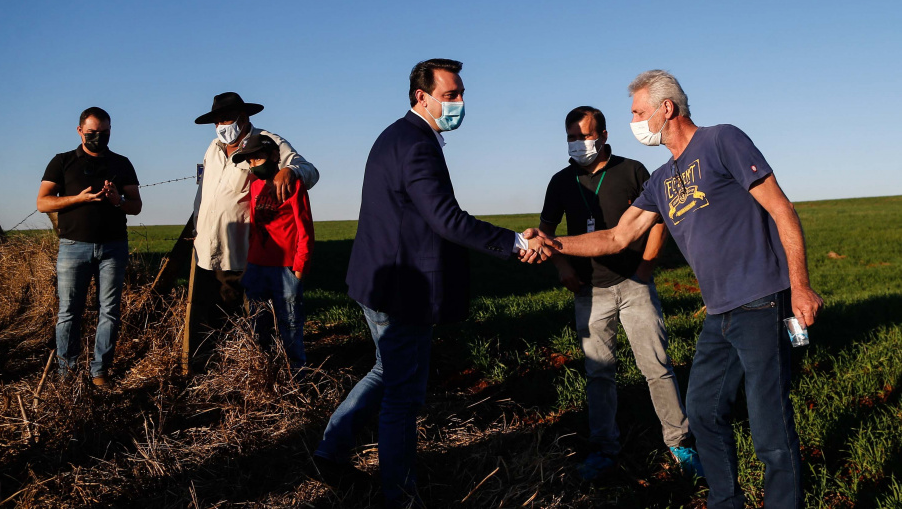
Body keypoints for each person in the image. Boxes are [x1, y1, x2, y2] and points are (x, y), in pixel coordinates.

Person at [528, 70, 823, 509]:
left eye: (638, 112)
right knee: (703, 413)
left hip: (761, 299)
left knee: (769, 426)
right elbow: (617, 236)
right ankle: (724, 501)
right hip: (718, 313)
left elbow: (782, 209)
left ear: (666, 109)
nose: (634, 122)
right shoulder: (661, 178)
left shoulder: (722, 140)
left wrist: (800, 286)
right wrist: (553, 244)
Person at [313, 58, 546, 507]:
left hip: (378, 280)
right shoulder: (417, 144)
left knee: (386, 372)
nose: (459, 103)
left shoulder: (396, 135)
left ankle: (331, 451)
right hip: (404, 290)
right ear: (422, 97)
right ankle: (400, 496)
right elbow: (446, 219)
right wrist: (516, 242)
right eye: (450, 95)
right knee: (403, 396)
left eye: (461, 94)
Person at [539, 106, 701, 480]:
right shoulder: (560, 182)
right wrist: (563, 268)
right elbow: (546, 231)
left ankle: (680, 443)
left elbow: (657, 220)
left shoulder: (631, 171)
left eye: (586, 135)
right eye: (572, 137)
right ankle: (603, 449)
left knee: (657, 367)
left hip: (634, 285)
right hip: (589, 291)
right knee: (599, 375)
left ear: (604, 135)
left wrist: (646, 267)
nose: (579, 143)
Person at [191, 92, 319, 345]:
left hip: (244, 253)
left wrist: (289, 171)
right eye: (216, 121)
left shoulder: (266, 143)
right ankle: (223, 364)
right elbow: (204, 193)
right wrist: (197, 229)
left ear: (243, 117)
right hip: (208, 250)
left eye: (226, 119)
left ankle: (264, 362)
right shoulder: (213, 148)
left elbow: (309, 171)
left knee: (254, 320)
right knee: (215, 320)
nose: (220, 126)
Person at [37, 107, 142, 387]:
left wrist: (118, 200)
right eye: (92, 132)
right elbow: (43, 202)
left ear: (110, 131)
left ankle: (99, 373)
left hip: (113, 247)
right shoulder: (62, 161)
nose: (98, 137)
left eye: (104, 133)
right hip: (73, 247)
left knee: (109, 311)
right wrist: (78, 199)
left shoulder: (121, 163)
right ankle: (67, 375)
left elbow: (136, 206)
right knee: (68, 312)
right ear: (79, 131)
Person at [230, 134, 314, 367]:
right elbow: (254, 228)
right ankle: (265, 375)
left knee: (290, 328)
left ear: (275, 156)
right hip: (257, 268)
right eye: (250, 161)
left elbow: (305, 229)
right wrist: (248, 264)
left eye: (258, 158)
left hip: (285, 269)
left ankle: (295, 379)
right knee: (259, 327)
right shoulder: (255, 185)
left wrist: (299, 268)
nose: (253, 165)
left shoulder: (293, 185)